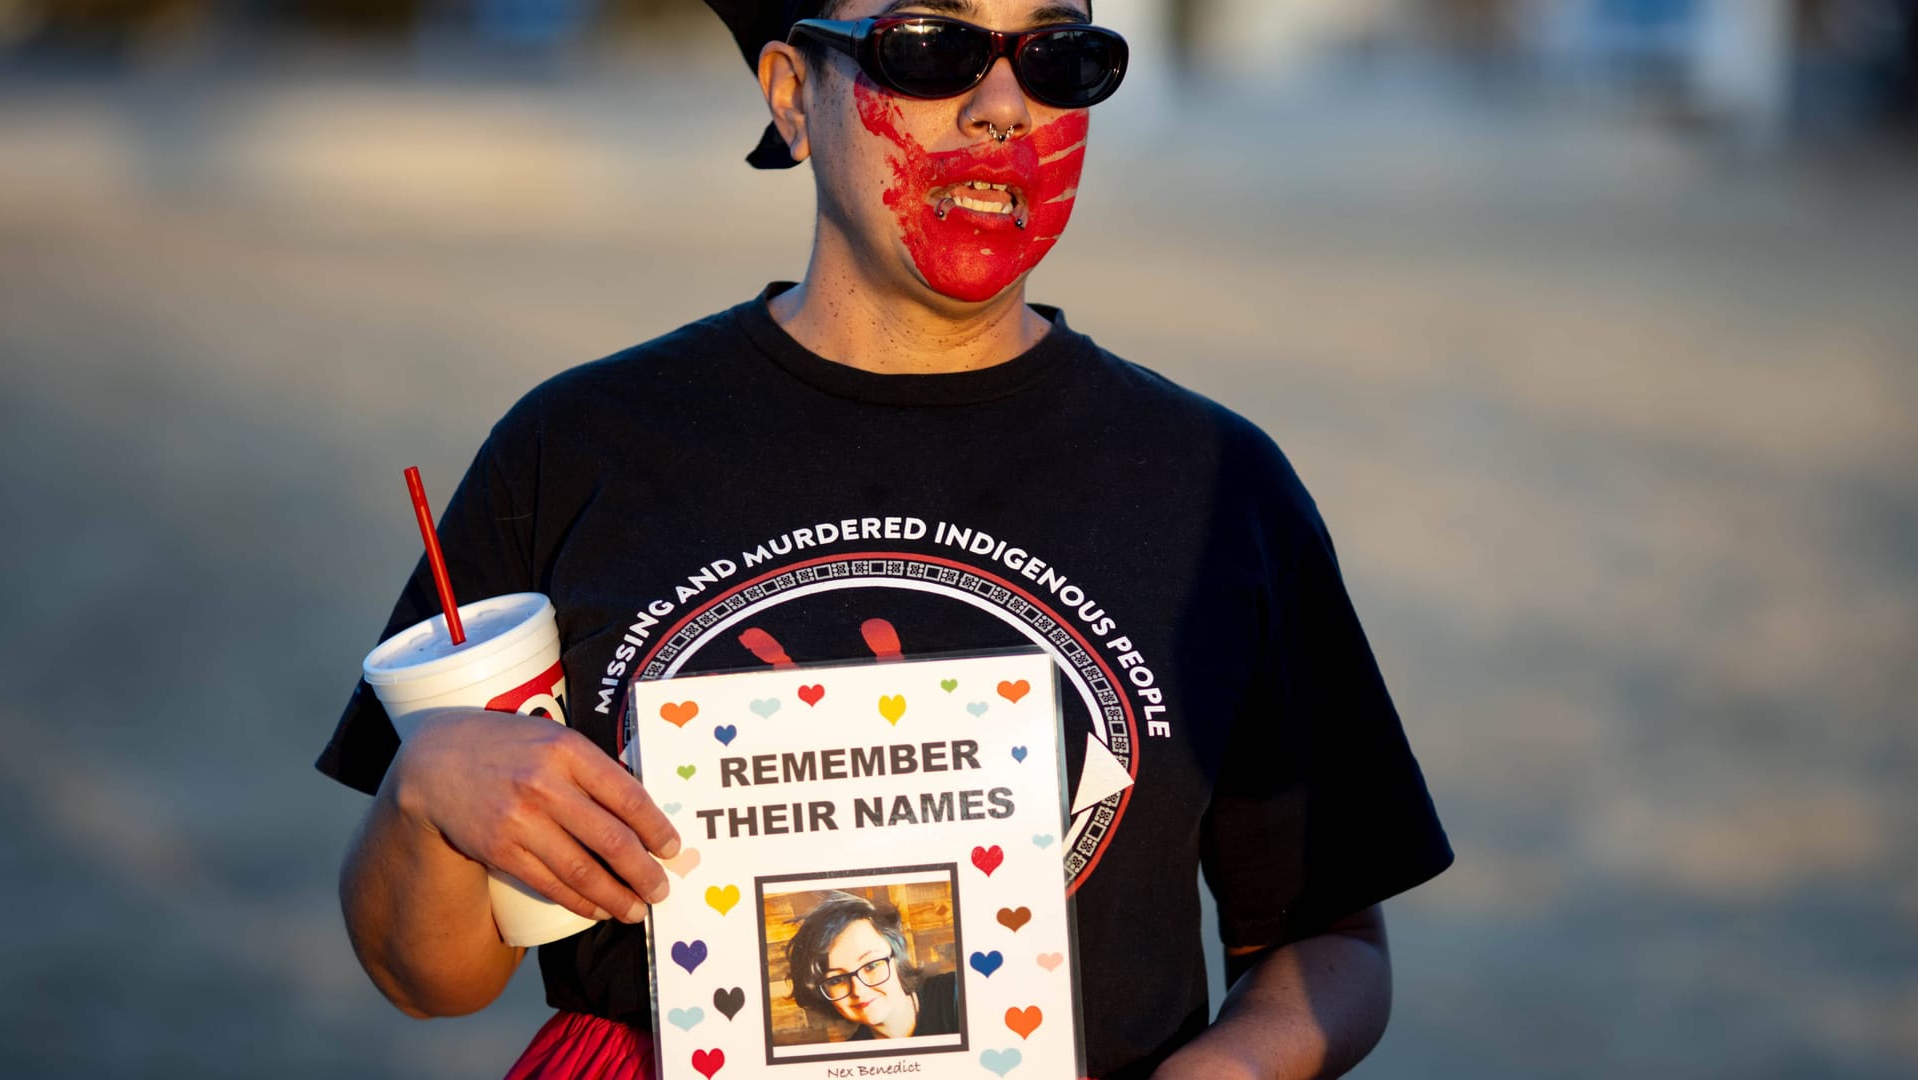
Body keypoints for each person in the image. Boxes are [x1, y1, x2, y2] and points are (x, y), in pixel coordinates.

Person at [316, 1, 1454, 1078]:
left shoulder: (1215, 484)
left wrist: (1228, 1067)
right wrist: (425, 790)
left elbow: (1327, 936)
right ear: (791, 94)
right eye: (929, 46)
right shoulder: (581, 447)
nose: (1004, 102)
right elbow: (428, 978)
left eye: (1057, 56)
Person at [782, 891, 960, 1042]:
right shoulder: (848, 1062)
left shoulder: (959, 995)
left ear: (896, 957)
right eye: (836, 980)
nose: (859, 990)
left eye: (871, 965)